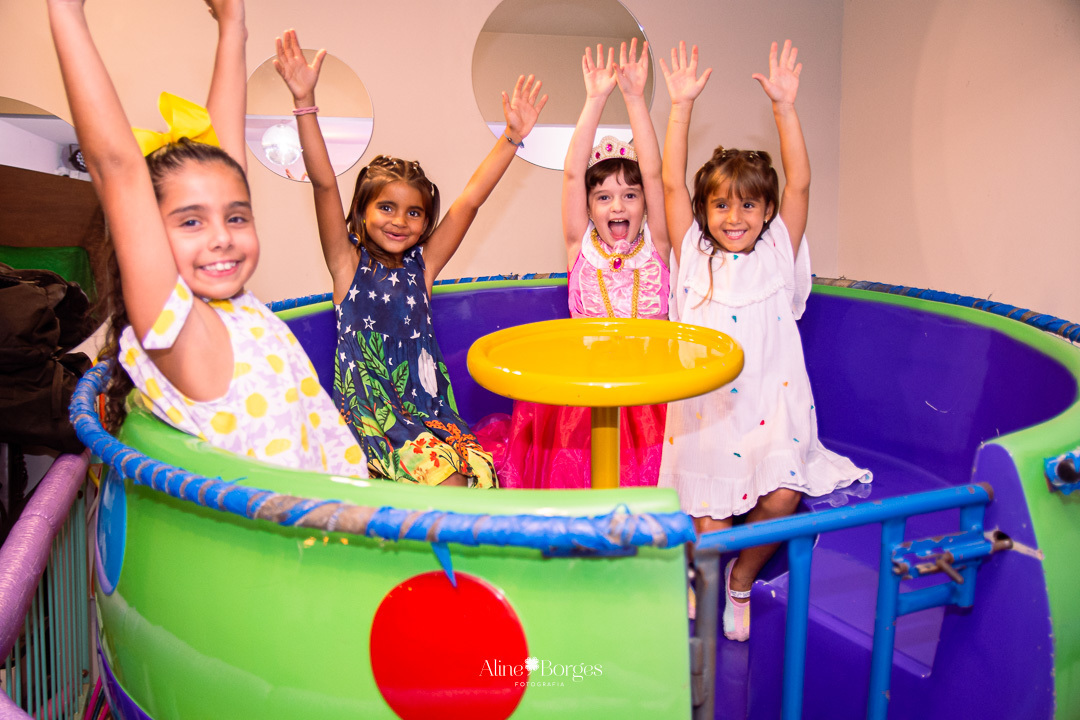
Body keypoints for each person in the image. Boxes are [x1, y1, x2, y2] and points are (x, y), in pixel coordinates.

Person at [47, 0, 367, 477]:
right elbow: (117, 168)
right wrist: (67, 13)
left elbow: (224, 149)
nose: (222, 237)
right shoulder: (179, 330)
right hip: (287, 546)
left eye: (237, 217)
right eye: (191, 222)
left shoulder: (236, 308)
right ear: (149, 237)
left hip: (336, 525)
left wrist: (233, 26)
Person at [659, 41, 871, 640]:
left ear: (767, 211)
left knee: (781, 498)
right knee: (711, 528)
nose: (734, 216)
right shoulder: (693, 258)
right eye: (721, 205)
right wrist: (679, 107)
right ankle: (704, 578)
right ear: (705, 212)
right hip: (709, 415)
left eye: (748, 205)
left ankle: (740, 582)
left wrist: (785, 107)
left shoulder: (778, 251)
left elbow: (801, 183)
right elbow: (671, 186)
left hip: (773, 410)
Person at [273, 29, 547, 487]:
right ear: (361, 212)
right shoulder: (347, 264)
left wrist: (512, 138)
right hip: (374, 421)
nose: (400, 221)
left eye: (414, 212)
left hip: (430, 413)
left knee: (480, 476)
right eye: (386, 207)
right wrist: (305, 102)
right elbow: (324, 184)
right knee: (448, 487)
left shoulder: (425, 266)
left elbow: (469, 203)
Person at [495, 40, 670, 489]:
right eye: (604, 197)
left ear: (645, 204)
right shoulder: (580, 247)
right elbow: (574, 173)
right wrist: (594, 100)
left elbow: (654, 173)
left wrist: (634, 98)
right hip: (586, 390)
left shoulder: (660, 246)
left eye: (630, 196)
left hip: (650, 392)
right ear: (589, 207)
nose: (618, 206)